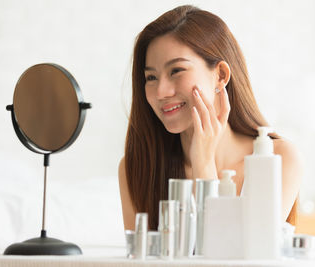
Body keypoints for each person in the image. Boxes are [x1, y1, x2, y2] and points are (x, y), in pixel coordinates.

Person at [118, 5, 302, 231]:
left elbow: (239, 260)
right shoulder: (136, 167)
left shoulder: (277, 158)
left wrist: (203, 164)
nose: (161, 92)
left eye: (176, 71)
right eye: (151, 77)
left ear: (221, 75)